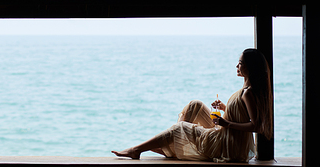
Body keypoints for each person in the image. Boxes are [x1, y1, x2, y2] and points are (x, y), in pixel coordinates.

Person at [111, 48, 273, 162]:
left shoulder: (248, 93)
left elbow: (256, 126)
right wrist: (225, 108)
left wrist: (225, 122)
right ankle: (173, 147)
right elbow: (243, 112)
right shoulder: (247, 90)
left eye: (240, 63)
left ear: (250, 68)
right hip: (227, 134)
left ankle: (136, 150)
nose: (237, 66)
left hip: (228, 145)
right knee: (195, 105)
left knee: (179, 128)